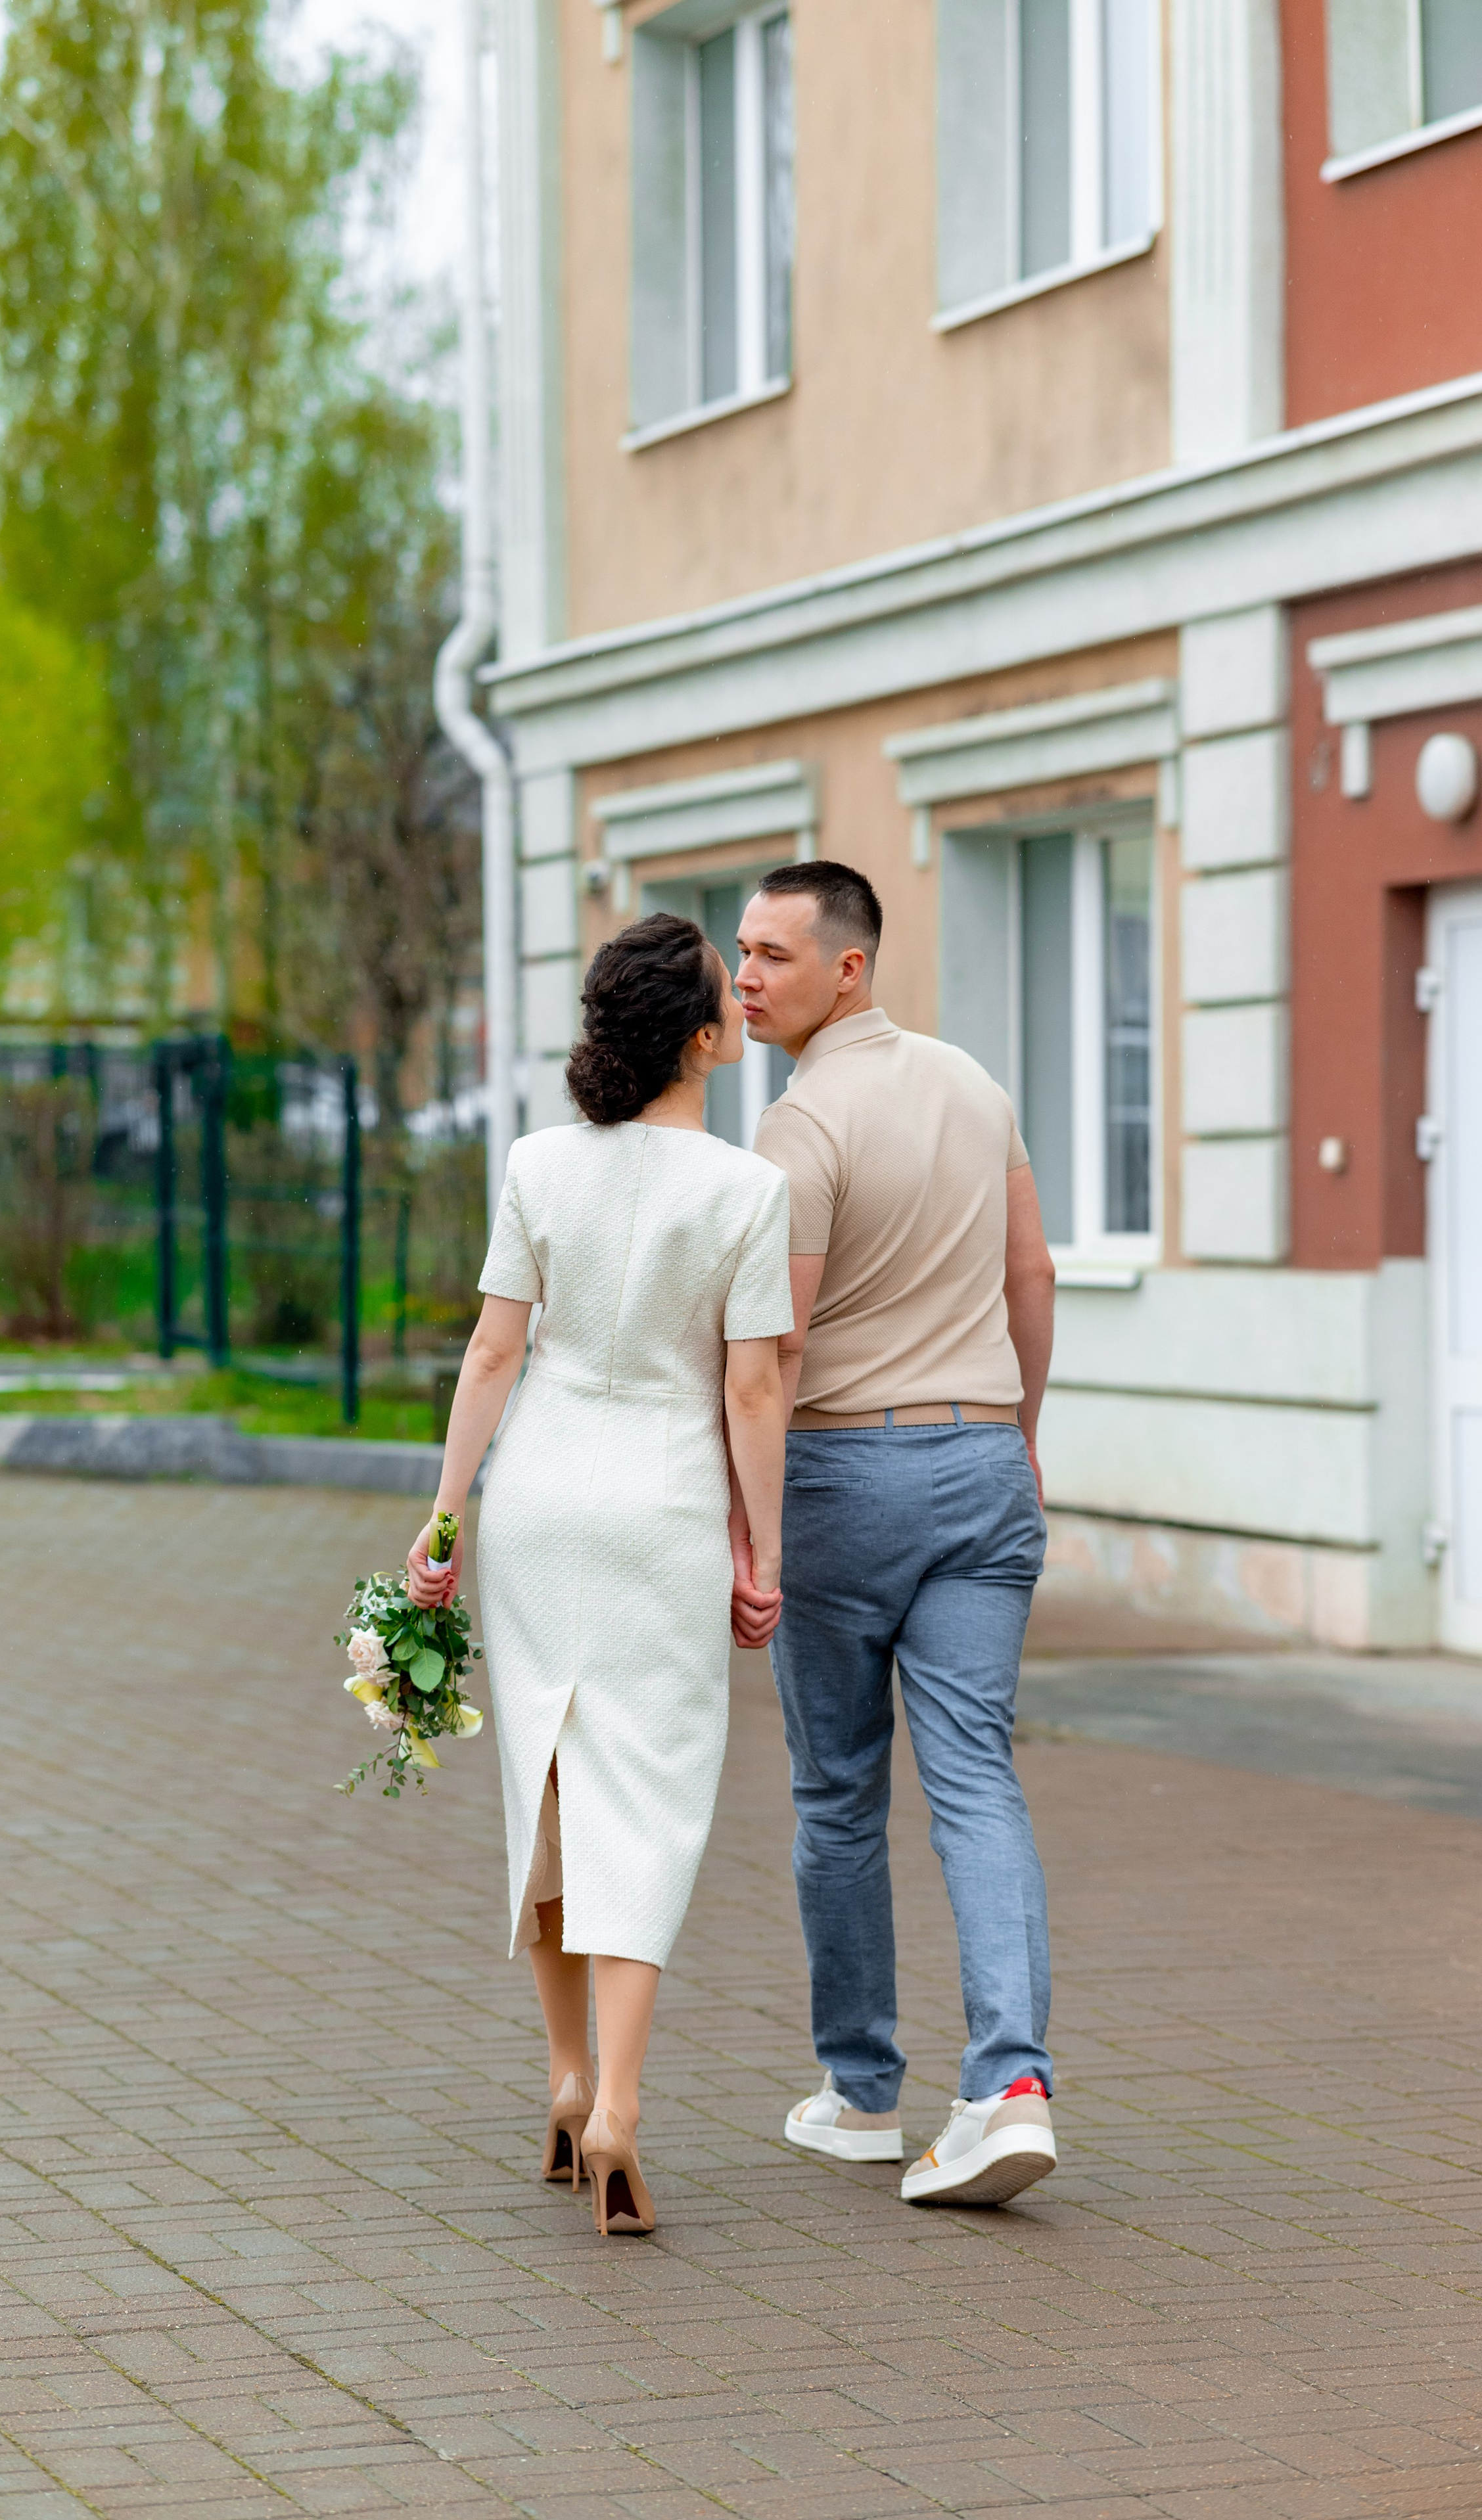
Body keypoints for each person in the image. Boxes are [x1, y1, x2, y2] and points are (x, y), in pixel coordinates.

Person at [407, 912, 792, 2237]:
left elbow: (490, 1358)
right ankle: (621, 2103)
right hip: (663, 1511)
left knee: (553, 1785)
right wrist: (764, 1547)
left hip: (538, 1506)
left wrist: (445, 1519)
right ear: (697, 1036)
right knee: (650, 1802)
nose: (741, 1004)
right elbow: (751, 1387)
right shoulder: (746, 1189)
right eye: (722, 997)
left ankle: (565, 2080)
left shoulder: (534, 1165)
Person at [733, 859, 1059, 2209]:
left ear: (847, 967)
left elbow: (777, 1346)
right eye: (738, 951)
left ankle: (862, 2092)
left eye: (771, 954)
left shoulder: (799, 1128)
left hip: (841, 1478)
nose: (743, 974)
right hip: (983, 1458)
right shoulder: (971, 1085)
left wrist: (748, 1525)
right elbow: (1028, 1276)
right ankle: (1008, 2084)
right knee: (976, 1775)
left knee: (836, 1792)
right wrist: (1020, 1434)